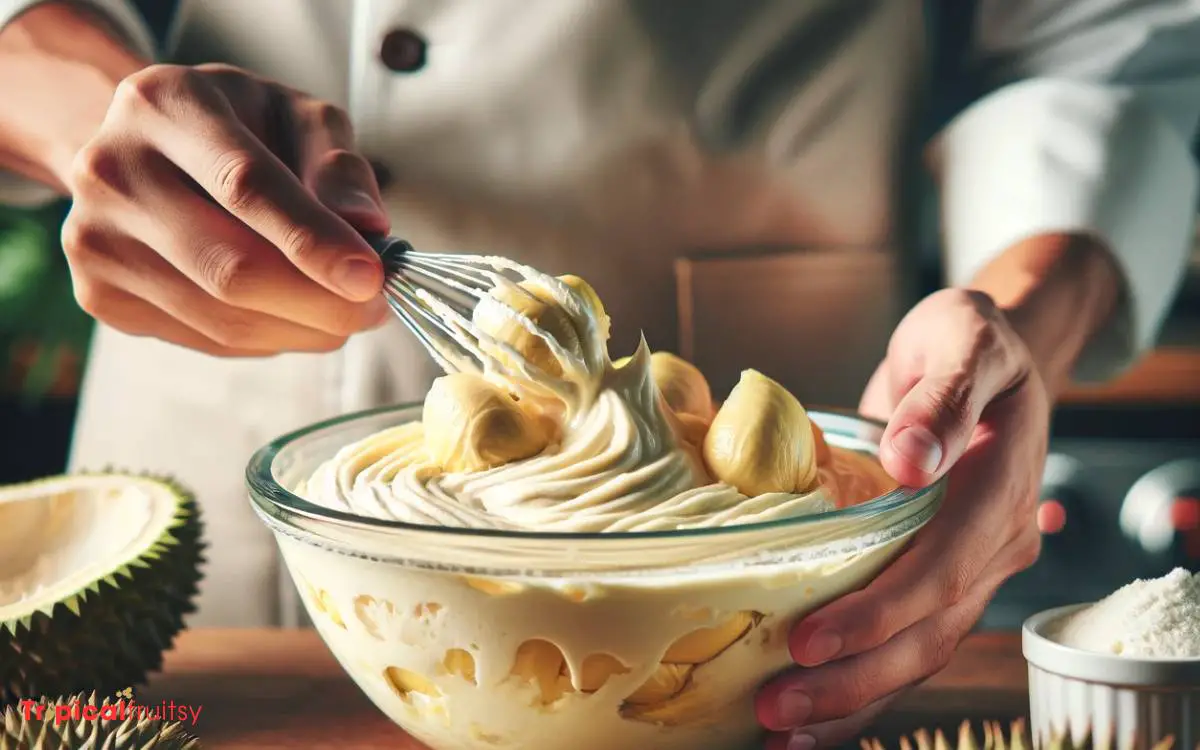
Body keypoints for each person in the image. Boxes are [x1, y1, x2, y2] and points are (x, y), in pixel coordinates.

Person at [2, 1, 1197, 746]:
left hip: (764, 556)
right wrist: (98, 121)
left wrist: (1021, 319)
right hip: (211, 443)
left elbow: (1102, 52)